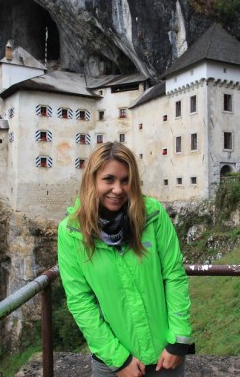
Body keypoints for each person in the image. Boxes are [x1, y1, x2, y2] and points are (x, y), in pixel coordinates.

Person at [58, 142, 194, 377]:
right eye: (109, 179)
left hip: (165, 355)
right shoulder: (71, 232)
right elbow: (80, 301)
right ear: (92, 180)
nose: (118, 189)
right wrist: (119, 359)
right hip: (111, 364)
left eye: (125, 180)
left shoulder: (152, 215)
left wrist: (178, 340)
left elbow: (174, 276)